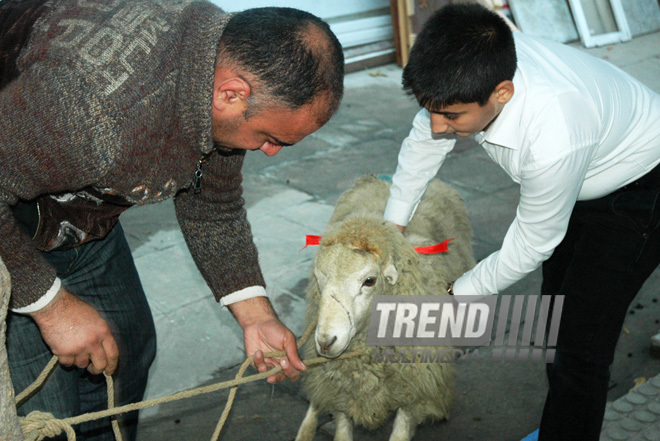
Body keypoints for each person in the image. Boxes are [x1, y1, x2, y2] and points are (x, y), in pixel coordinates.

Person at [0, 0, 344, 440]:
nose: (271, 152)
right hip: (10, 227)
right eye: (271, 138)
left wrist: (255, 315)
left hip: (78, 213)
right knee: (43, 409)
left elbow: (211, 200)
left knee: (127, 350)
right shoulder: (89, 104)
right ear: (231, 94)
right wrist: (49, 305)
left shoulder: (221, 53)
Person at [384, 3, 660, 441]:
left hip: (642, 187)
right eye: (429, 109)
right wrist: (391, 228)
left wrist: (459, 293)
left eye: (452, 117)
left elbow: (533, 241)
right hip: (586, 169)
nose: (437, 126)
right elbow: (424, 140)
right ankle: (564, 422)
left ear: (503, 92)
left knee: (580, 344)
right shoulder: (473, 64)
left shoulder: (553, 134)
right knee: (557, 310)